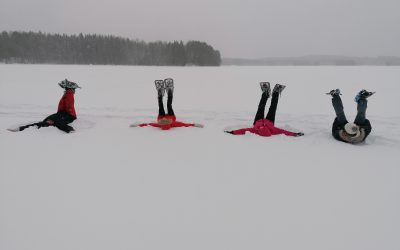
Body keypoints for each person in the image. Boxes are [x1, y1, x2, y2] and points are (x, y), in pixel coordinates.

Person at [225, 82, 303, 137]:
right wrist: (295, 134)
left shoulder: (254, 130)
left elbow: (243, 130)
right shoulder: (273, 130)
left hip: (258, 121)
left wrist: (233, 132)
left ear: (258, 131)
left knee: (261, 107)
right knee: (273, 107)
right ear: (269, 131)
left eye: (261, 128)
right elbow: (284, 132)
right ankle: (276, 92)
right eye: (264, 128)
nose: (262, 127)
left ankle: (266, 92)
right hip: (270, 122)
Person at [8, 79, 80, 133]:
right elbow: (65, 106)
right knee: (48, 120)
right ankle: (23, 128)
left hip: (69, 115)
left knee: (55, 122)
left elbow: (69, 107)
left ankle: (70, 130)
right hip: (63, 113)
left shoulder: (69, 94)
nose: (74, 91)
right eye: (74, 89)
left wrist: (61, 114)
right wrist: (59, 114)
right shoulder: (68, 93)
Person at [131, 78, 203, 130]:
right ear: (169, 122)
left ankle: (160, 92)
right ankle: (169, 91)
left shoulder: (159, 123)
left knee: (160, 105)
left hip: (160, 117)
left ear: (161, 123)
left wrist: (137, 124)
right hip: (172, 117)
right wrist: (194, 124)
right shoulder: (174, 123)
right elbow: (184, 124)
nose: (165, 118)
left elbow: (148, 124)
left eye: (163, 121)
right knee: (169, 105)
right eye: (166, 120)